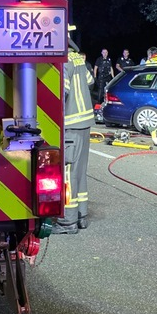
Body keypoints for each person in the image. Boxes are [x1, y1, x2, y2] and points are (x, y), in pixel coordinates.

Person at [58, 31, 95, 233]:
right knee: (80, 171)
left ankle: (67, 222)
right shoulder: (78, 59)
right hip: (85, 122)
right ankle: (81, 215)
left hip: (70, 124)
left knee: (67, 174)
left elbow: (61, 93)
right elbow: (90, 81)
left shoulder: (63, 62)